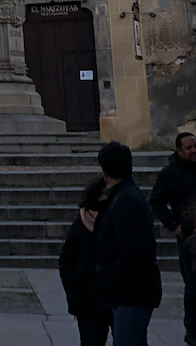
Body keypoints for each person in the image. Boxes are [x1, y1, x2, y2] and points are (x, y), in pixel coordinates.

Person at [94, 140, 161, 346]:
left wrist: (110, 282)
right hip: (131, 291)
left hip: (130, 293)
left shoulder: (125, 200)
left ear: (104, 170)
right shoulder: (125, 195)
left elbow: (132, 250)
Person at [148, 130, 196, 346]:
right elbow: (156, 201)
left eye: (195, 147)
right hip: (188, 237)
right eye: (189, 148)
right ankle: (193, 330)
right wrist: (174, 226)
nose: (194, 151)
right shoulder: (170, 173)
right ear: (179, 151)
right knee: (193, 285)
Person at [59, 175, 112, 346]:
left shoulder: (113, 225)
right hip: (86, 299)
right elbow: (66, 260)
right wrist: (73, 289)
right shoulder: (80, 226)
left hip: (110, 296)